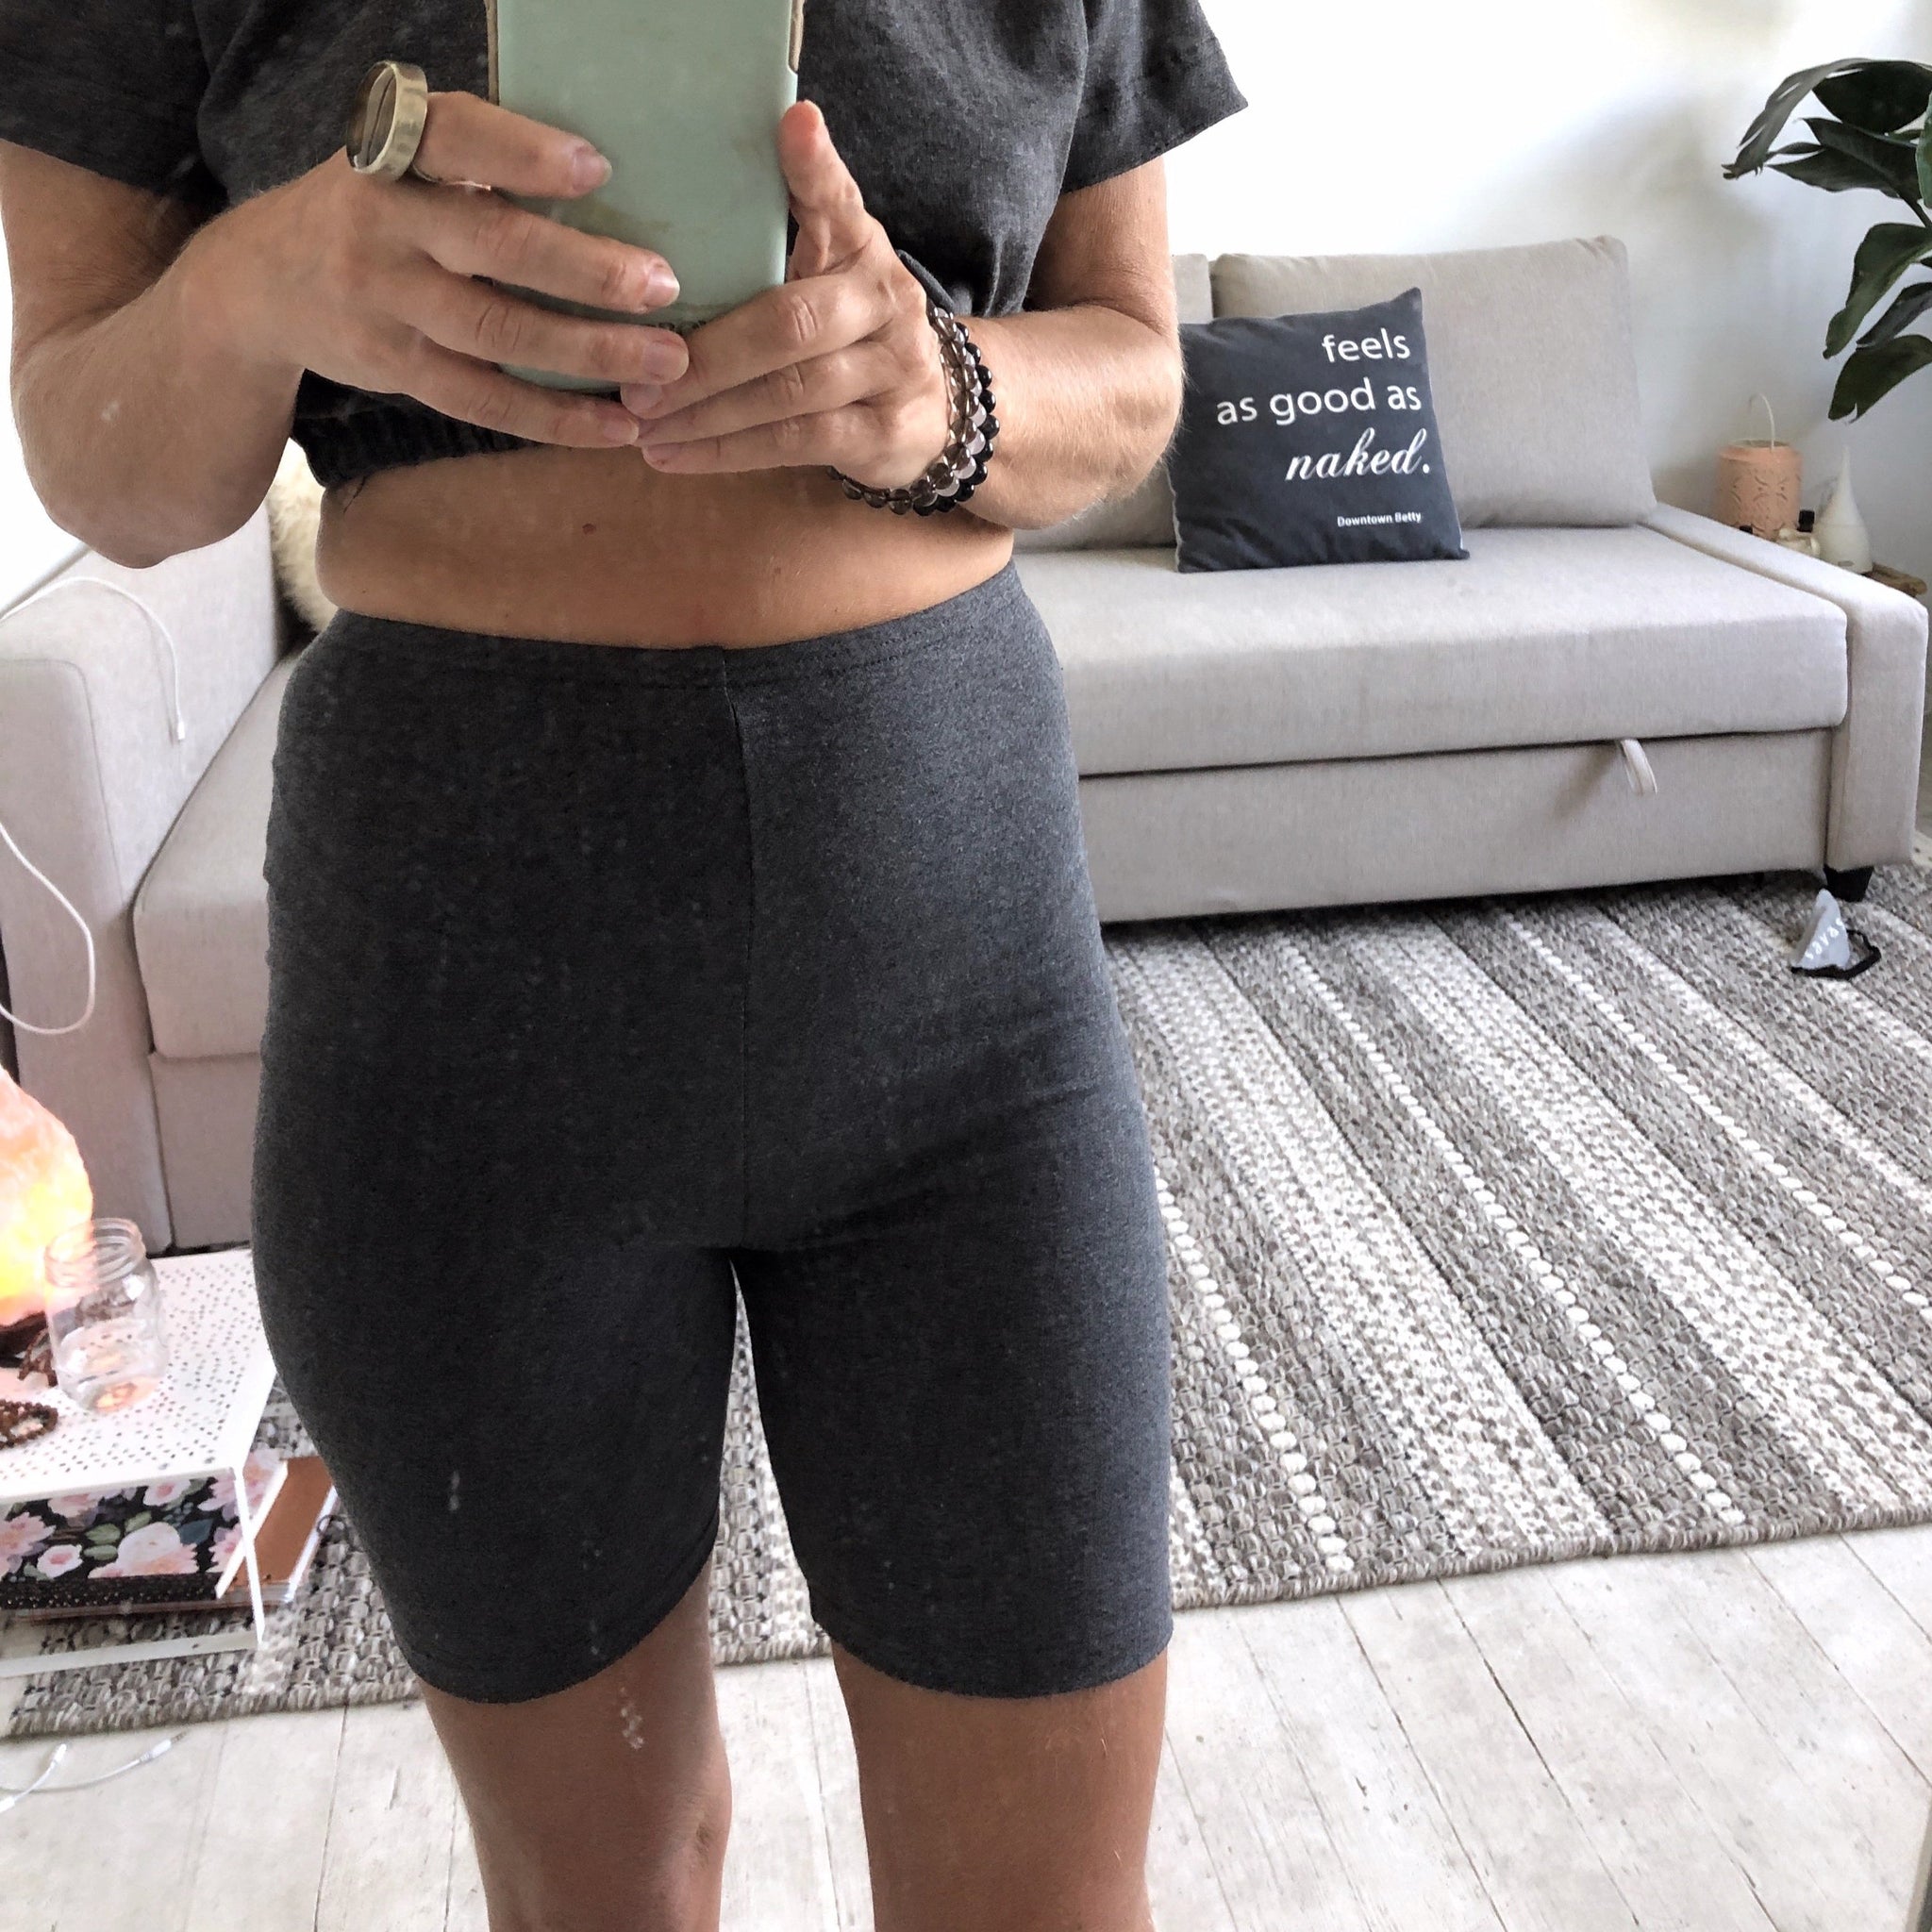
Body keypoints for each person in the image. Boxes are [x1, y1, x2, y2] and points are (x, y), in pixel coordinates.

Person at [0, 4, 1244, 1926]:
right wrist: (261, 282)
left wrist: (941, 392)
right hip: (458, 1003)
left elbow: (1135, 364)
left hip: (962, 985)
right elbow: (109, 470)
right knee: (601, 1887)